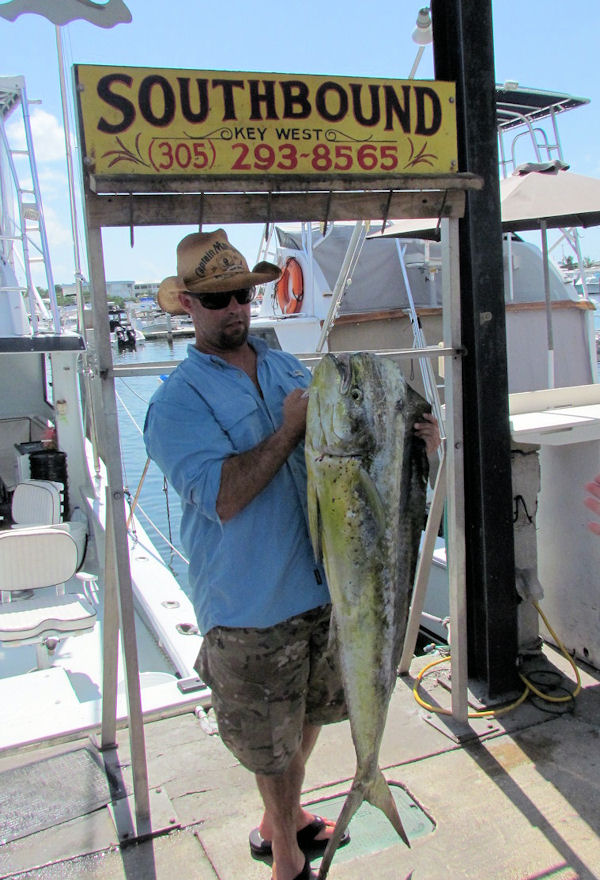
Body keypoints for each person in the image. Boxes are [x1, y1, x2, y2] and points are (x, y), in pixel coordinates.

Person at [143, 229, 441, 880]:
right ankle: (285, 858)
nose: (235, 309)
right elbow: (223, 496)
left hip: (319, 588)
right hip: (250, 606)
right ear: (189, 308)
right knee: (270, 749)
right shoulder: (175, 403)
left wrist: (408, 436)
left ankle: (288, 817)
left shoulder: (283, 369)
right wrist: (288, 431)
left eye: (243, 295)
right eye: (218, 298)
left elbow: (344, 454)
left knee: (307, 718)